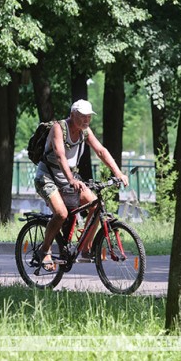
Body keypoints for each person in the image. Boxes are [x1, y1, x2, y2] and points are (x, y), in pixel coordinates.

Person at [34, 99, 128, 270]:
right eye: (82, 117)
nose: (86, 120)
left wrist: (118, 173)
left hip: (69, 177)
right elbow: (61, 155)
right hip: (47, 177)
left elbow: (101, 151)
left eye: (89, 117)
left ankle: (85, 248)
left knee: (95, 205)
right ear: (72, 115)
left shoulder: (85, 131)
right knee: (61, 214)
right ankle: (44, 250)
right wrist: (71, 180)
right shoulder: (59, 128)